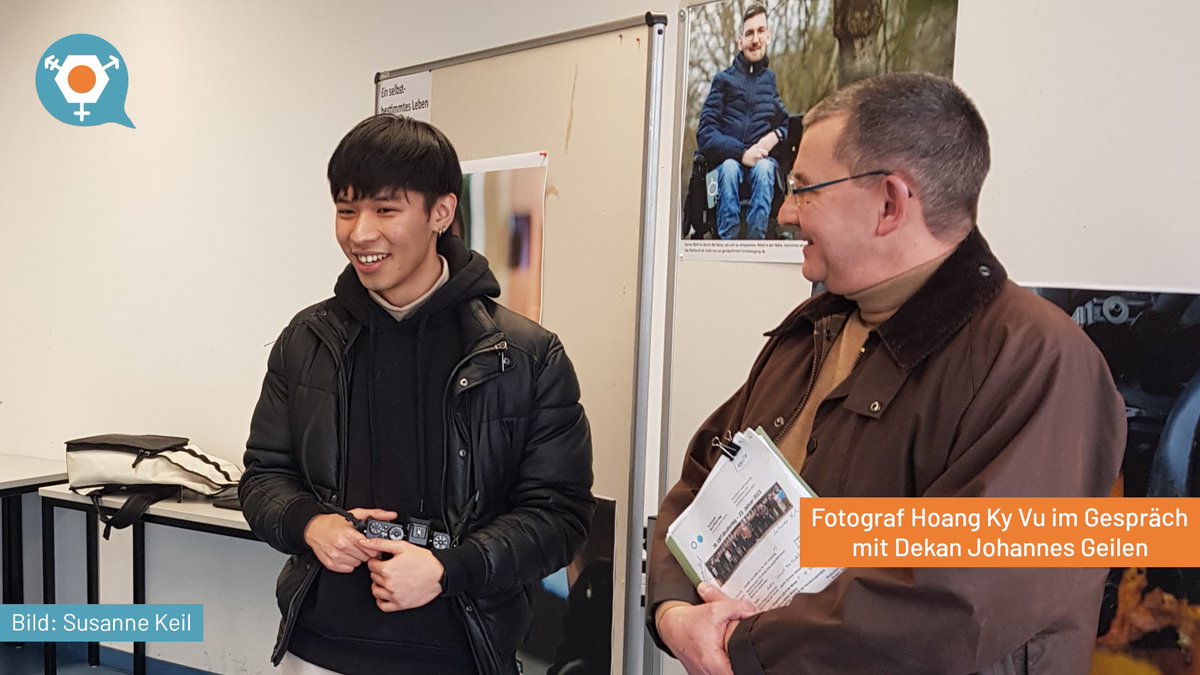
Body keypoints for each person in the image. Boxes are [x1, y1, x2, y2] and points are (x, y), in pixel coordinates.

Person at [647, 72, 1126, 674]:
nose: (787, 213)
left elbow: (953, 600)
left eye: (805, 189)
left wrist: (740, 646)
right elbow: (702, 484)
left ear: (890, 204)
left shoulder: (1039, 362)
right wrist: (673, 613)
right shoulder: (812, 334)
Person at [239, 114, 594, 675]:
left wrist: (448, 569)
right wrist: (311, 523)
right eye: (346, 209)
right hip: (319, 649)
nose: (360, 233)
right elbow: (262, 478)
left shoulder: (525, 356)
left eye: (385, 209)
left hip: (461, 651)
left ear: (441, 213)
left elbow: (559, 516)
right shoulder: (307, 342)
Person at [697, 3, 788, 240]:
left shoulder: (770, 83)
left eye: (760, 32)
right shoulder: (722, 81)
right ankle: (727, 243)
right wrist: (741, 153)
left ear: (768, 36)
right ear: (740, 42)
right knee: (728, 168)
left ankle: (758, 242)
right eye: (749, 33)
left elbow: (786, 124)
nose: (755, 39)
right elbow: (705, 134)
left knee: (766, 168)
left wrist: (775, 136)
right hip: (728, 167)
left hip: (760, 168)